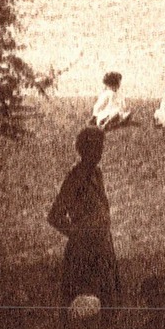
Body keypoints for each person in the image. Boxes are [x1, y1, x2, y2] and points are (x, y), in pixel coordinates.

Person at [47, 127, 121, 309]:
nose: (99, 152)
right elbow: (55, 215)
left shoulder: (97, 174)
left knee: (106, 298)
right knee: (84, 297)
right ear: (84, 150)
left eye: (101, 147)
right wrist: (78, 234)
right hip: (84, 252)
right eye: (95, 148)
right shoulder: (76, 178)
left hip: (102, 247)